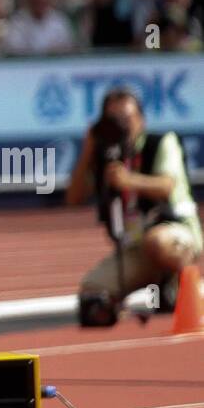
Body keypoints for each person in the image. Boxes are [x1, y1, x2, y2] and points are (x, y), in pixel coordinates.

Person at [66, 87, 202, 325]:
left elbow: (166, 186)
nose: (122, 127)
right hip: (135, 248)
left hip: (175, 233)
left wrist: (129, 180)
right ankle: (159, 289)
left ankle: (185, 286)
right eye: (114, 120)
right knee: (92, 292)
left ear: (141, 119)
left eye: (127, 119)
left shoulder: (160, 143)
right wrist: (88, 150)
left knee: (157, 242)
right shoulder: (105, 157)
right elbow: (74, 198)